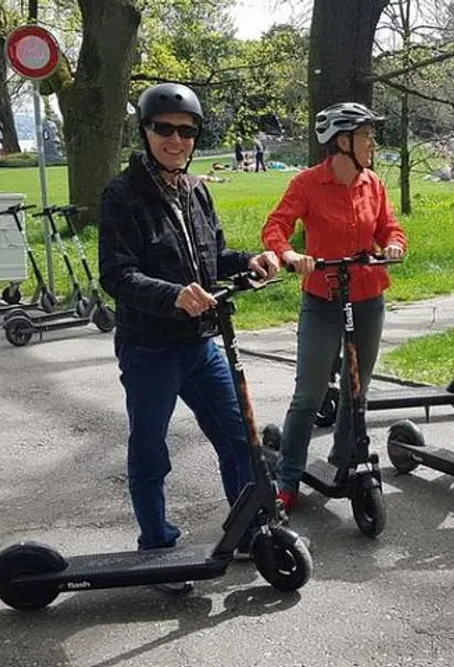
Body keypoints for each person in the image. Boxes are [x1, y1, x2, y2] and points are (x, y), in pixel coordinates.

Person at [98, 83, 280, 591]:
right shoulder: (121, 194)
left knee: (239, 439)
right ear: (147, 131)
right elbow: (116, 275)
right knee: (151, 450)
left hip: (201, 344)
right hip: (150, 347)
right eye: (165, 129)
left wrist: (249, 261)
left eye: (187, 130)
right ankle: (156, 545)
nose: (176, 139)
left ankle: (246, 531)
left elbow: (213, 257)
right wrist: (174, 295)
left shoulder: (196, 190)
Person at [261, 102, 407, 512]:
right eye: (366, 136)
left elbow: (388, 227)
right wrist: (290, 255)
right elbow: (276, 226)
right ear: (342, 142)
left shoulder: (372, 183)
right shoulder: (307, 184)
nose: (372, 143)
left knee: (356, 389)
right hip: (322, 299)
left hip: (367, 296)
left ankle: (345, 462)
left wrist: (394, 244)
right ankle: (287, 479)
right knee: (308, 392)